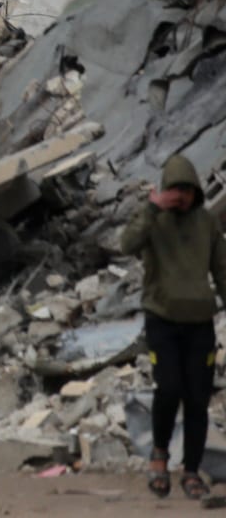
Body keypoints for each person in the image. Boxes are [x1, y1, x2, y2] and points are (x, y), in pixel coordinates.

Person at [121, 153, 226, 500]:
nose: (182, 196)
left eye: (188, 189)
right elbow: (127, 244)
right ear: (165, 189)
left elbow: (221, 270)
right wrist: (153, 209)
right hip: (162, 319)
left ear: (197, 190)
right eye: (176, 189)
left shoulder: (207, 222)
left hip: (199, 323)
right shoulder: (152, 219)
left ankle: (192, 471)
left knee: (197, 398)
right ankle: (160, 457)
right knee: (168, 389)